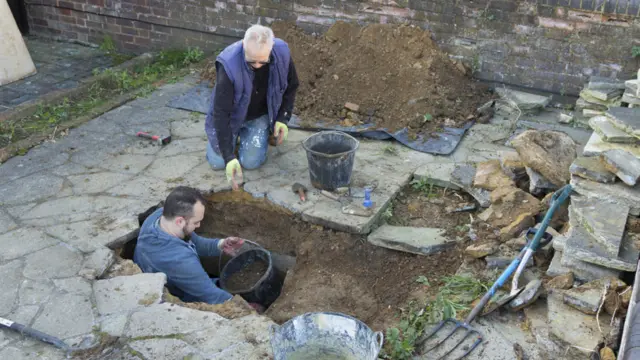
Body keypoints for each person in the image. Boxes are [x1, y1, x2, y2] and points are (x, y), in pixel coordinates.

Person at [205, 24, 299, 190]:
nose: (257, 66)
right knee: (217, 163)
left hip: (258, 116)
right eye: (251, 61)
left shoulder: (282, 54)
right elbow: (221, 113)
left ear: (271, 49)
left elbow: (291, 86)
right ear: (243, 46)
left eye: (262, 61)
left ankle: (251, 136)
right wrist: (228, 157)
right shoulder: (228, 64)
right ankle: (232, 139)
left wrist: (283, 118)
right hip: (231, 117)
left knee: (251, 163)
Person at [133, 186, 246, 305]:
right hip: (185, 297)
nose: (199, 226)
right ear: (180, 221)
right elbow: (212, 295)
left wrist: (221, 244)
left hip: (186, 280)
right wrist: (246, 307)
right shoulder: (180, 260)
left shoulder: (159, 217)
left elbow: (195, 242)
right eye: (196, 222)